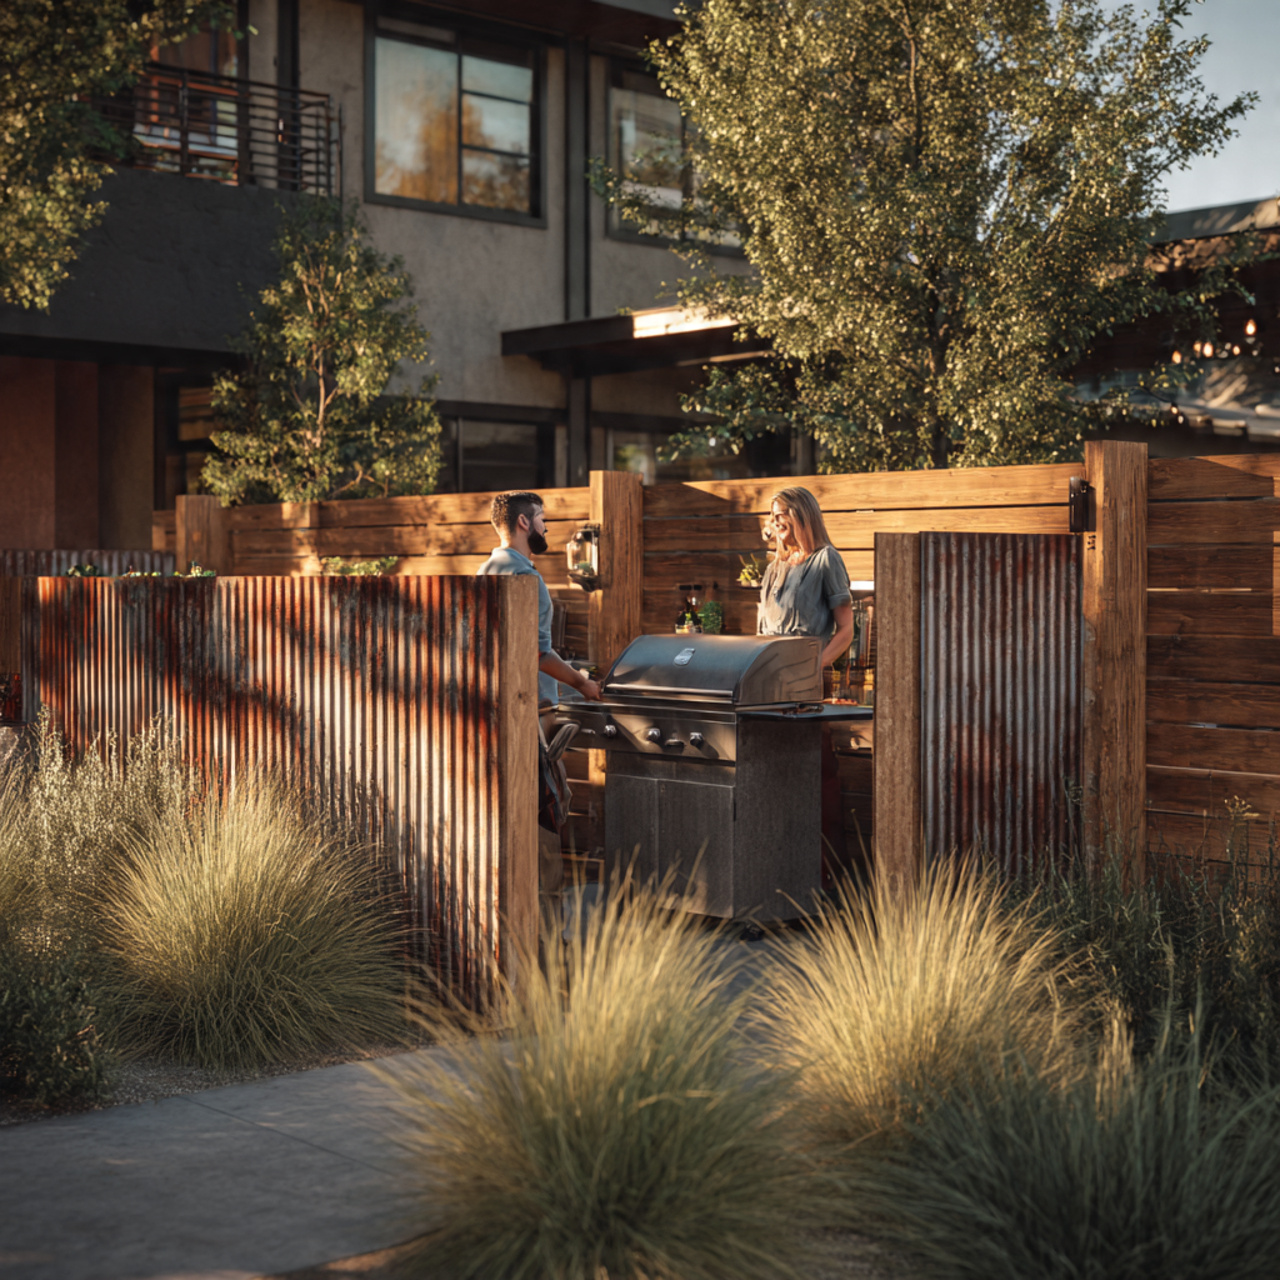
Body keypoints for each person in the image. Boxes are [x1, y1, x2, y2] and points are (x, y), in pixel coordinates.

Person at [477, 491, 602, 912]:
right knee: (546, 815)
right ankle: (546, 930)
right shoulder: (525, 577)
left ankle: (514, 917)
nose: (546, 527)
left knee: (510, 817)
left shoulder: (486, 571)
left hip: (496, 713)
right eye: (542, 518)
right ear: (524, 523)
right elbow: (536, 652)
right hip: (532, 718)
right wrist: (583, 684)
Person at [757, 486, 856, 880]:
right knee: (772, 778)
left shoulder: (826, 560)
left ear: (802, 514)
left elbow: (846, 630)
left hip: (807, 688)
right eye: (772, 514)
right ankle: (777, 874)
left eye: (782, 513)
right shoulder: (773, 568)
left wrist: (814, 669)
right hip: (766, 688)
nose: (775, 521)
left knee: (816, 776)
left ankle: (825, 877)